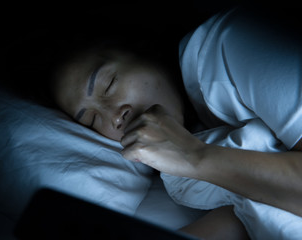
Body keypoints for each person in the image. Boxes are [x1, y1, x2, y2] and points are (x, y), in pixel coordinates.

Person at [49, 6, 302, 240]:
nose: (114, 116)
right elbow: (256, 202)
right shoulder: (190, 132)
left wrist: (195, 156)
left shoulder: (230, 44)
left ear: (142, 50)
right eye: (92, 119)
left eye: (109, 83)